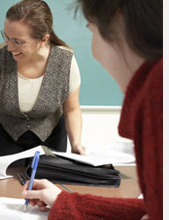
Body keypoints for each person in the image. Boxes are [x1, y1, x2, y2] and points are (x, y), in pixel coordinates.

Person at [21, 0, 163, 219]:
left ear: (119, 20)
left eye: (92, 31)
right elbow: (153, 211)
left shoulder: (159, 89)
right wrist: (64, 202)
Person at [0, 0, 86, 174]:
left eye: (18, 41)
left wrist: (76, 144)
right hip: (6, 135)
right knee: (9, 185)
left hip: (50, 135)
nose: (9, 47)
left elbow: (72, 109)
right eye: (6, 37)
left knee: (46, 186)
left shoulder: (65, 61)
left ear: (43, 40)